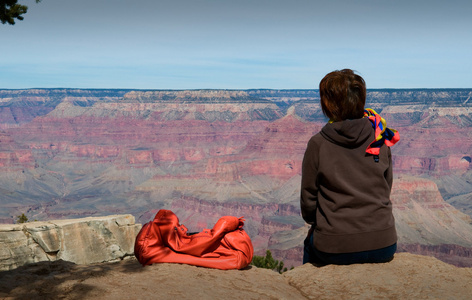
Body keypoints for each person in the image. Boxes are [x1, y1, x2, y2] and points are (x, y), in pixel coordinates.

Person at [301, 69, 400, 265]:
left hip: (335, 247)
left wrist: (322, 223)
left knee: (309, 244)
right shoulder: (380, 137)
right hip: (384, 243)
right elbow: (385, 187)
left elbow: (309, 202)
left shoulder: (318, 143)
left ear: (327, 104)